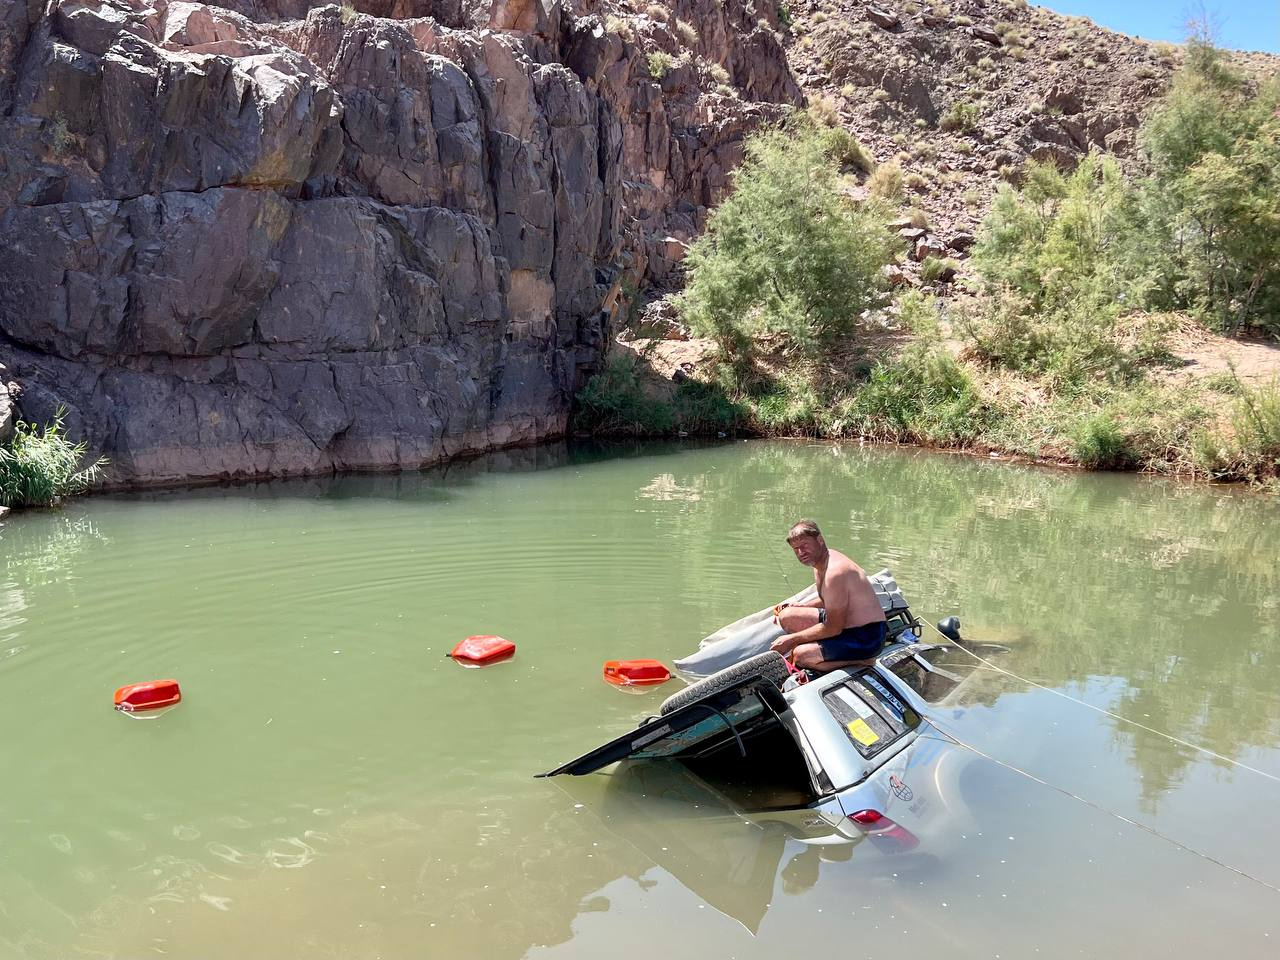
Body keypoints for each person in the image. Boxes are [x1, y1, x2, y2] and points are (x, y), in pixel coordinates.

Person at [770, 519, 887, 672]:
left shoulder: (835, 572)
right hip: (843, 624)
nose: (800, 552)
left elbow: (833, 628)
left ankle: (864, 660)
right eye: (796, 549)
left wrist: (792, 639)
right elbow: (833, 598)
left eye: (804, 545)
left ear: (820, 540)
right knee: (787, 616)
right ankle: (827, 649)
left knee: (801, 656)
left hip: (866, 636)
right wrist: (804, 606)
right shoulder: (819, 563)